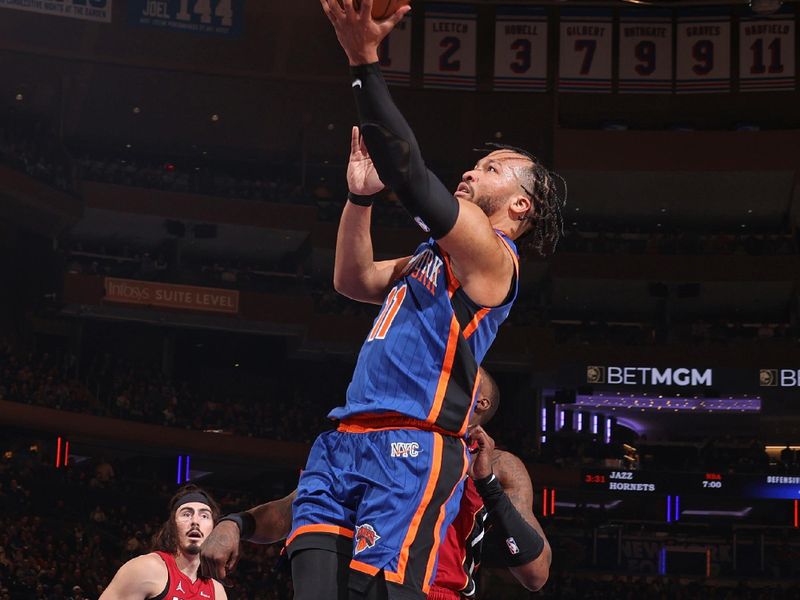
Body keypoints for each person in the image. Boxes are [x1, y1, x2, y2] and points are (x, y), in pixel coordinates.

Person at [285, 1, 564, 597]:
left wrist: (364, 61)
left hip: (411, 445)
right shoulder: (429, 259)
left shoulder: (493, 258)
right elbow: (353, 281)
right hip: (344, 439)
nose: (471, 172)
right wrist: (359, 199)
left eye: (491, 169)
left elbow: (410, 176)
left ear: (521, 206)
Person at [201, 370, 552, 599]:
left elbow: (535, 574)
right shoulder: (385, 439)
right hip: (361, 586)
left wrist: (486, 484)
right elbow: (302, 504)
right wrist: (236, 523)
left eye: (455, 376)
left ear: (480, 402)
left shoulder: (499, 465)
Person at [99, 485, 227, 600]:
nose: (195, 521)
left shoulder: (217, 592)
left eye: (204, 516)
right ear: (172, 525)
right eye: (186, 514)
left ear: (213, 529)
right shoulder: (146, 569)